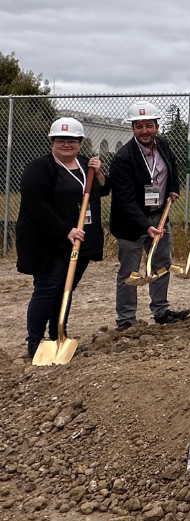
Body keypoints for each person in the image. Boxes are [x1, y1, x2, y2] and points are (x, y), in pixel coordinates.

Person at [16, 117, 110, 360]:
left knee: (67, 288)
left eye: (72, 140)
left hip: (80, 242)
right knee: (48, 288)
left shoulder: (83, 164)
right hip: (50, 241)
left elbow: (104, 189)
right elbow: (36, 205)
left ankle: (58, 334)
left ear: (80, 142)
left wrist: (98, 174)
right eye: (60, 140)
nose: (66, 144)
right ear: (52, 142)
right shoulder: (40, 168)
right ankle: (34, 341)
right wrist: (65, 230)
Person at [109, 101, 190, 329]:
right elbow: (125, 200)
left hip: (159, 216)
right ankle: (126, 321)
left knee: (161, 264)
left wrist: (173, 187)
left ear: (156, 126)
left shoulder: (162, 145)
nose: (144, 130)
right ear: (132, 128)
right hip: (131, 224)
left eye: (149, 125)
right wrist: (145, 226)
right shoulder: (123, 158)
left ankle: (161, 311)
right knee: (130, 272)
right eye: (138, 126)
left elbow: (172, 166)